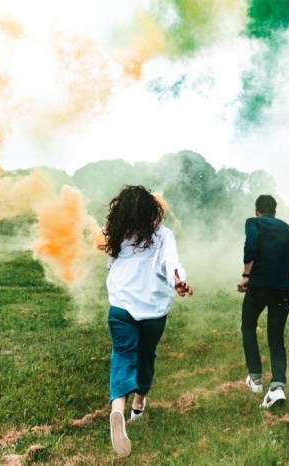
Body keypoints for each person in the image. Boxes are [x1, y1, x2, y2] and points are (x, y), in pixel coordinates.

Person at [99, 185, 193, 458]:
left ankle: (117, 408)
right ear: (152, 210)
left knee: (122, 355)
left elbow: (111, 265)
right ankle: (138, 405)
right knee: (146, 354)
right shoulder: (163, 235)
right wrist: (178, 280)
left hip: (120, 307)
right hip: (153, 309)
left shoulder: (119, 236)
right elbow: (171, 262)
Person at [237, 194, 289, 408]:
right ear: (275, 211)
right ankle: (278, 385)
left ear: (257, 211)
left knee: (248, 327)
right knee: (276, 336)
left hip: (259, 285)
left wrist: (246, 276)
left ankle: (255, 378)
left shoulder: (253, 223)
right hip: (283, 288)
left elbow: (250, 246)